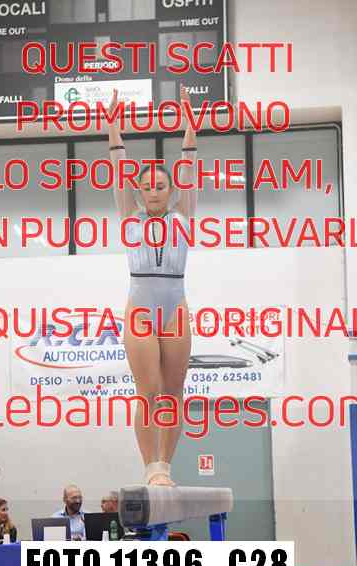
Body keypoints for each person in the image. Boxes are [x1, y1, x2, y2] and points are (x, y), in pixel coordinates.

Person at [108, 84, 198, 487]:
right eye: (148, 187)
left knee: (174, 391)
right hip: (141, 308)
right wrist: (113, 128)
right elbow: (117, 170)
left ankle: (166, 466)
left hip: (175, 305)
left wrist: (190, 126)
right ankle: (150, 468)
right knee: (148, 390)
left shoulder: (183, 215)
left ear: (171, 190)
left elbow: (189, 165)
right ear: (140, 192)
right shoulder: (130, 216)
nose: (155, 192)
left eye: (162, 186)